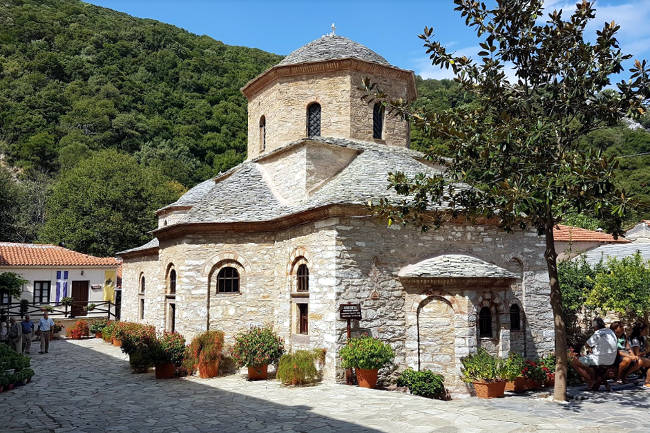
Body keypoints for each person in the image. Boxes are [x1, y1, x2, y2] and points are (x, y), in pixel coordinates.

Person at [570, 317, 618, 388]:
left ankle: (591, 381)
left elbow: (587, 344)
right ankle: (595, 380)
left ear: (595, 327)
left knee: (573, 361)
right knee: (590, 362)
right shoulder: (611, 332)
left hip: (599, 359)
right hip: (612, 360)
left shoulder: (598, 333)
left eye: (593, 327)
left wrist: (589, 349)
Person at [624, 322, 650, 387]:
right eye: (645, 329)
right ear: (641, 330)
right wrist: (646, 352)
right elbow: (637, 354)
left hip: (642, 356)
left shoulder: (642, 338)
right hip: (636, 357)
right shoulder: (635, 339)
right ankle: (647, 382)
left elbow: (647, 347)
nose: (647, 331)